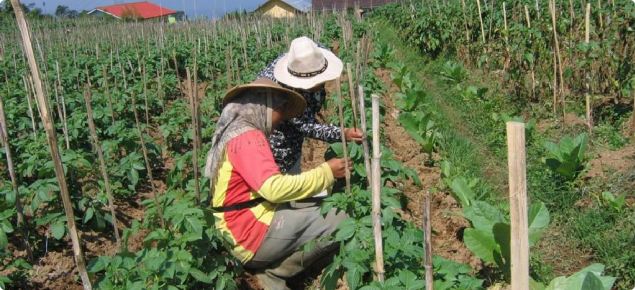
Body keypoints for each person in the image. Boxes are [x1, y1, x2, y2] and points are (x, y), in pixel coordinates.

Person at [204, 78, 350, 290]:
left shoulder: (238, 131)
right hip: (246, 234)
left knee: (318, 201)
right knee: (341, 220)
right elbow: (273, 188)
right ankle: (276, 273)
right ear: (265, 106)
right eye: (280, 109)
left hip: (242, 220)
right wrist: (326, 172)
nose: (281, 119)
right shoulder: (248, 138)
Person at [259, 36, 364, 175]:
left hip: (293, 140)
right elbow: (306, 125)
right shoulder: (279, 89)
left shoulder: (311, 56)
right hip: (275, 145)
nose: (318, 86)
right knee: (280, 180)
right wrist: (342, 133)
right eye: (313, 83)